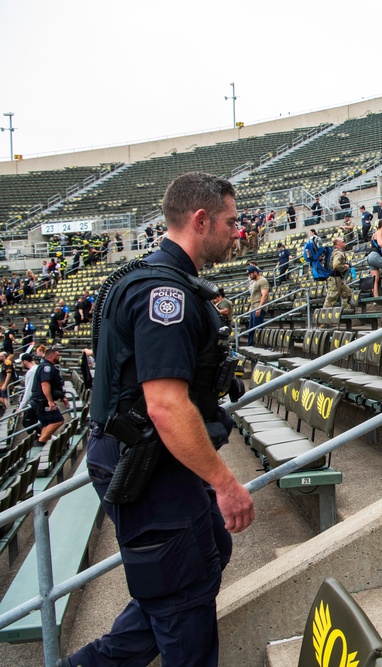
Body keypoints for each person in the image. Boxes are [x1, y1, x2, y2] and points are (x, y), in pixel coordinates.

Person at [67, 171, 253, 667]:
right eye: (230, 222)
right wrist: (225, 483)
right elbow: (165, 406)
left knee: (200, 562)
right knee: (183, 600)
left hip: (151, 460)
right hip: (145, 467)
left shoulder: (154, 279)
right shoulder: (162, 296)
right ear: (200, 219)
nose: (238, 232)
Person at [29, 346, 68, 450]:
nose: (59, 357)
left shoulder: (49, 366)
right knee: (57, 420)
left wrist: (62, 397)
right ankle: (40, 442)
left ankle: (41, 446)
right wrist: (50, 401)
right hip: (42, 401)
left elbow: (55, 386)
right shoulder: (46, 367)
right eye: (57, 355)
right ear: (51, 356)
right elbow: (45, 385)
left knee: (47, 424)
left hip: (41, 401)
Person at [323, 237, 354, 310]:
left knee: (347, 292)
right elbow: (336, 265)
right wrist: (345, 267)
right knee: (331, 300)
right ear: (339, 244)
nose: (344, 242)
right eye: (343, 241)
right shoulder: (338, 253)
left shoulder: (334, 252)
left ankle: (346, 309)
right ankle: (323, 318)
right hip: (335, 279)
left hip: (338, 279)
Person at [246, 264, 268, 346]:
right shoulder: (255, 282)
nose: (249, 276)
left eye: (250, 274)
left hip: (259, 307)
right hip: (254, 307)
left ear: (255, 272)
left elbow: (264, 295)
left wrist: (259, 308)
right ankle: (250, 345)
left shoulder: (262, 281)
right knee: (251, 328)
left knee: (258, 328)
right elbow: (254, 295)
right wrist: (251, 306)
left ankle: (263, 345)